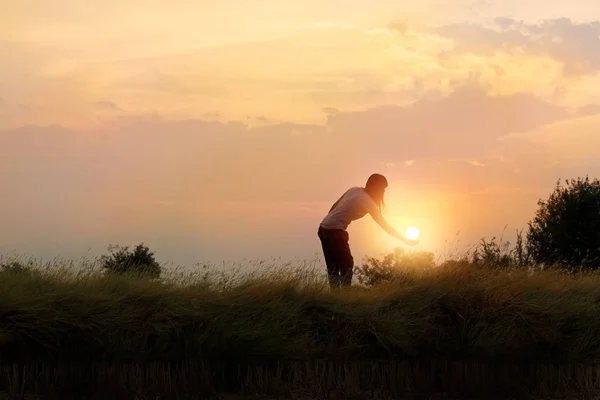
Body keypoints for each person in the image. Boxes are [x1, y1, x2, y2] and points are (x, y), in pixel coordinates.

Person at [318, 173, 418, 289]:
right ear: (375, 187)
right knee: (347, 265)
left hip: (323, 228)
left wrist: (327, 222)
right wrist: (405, 240)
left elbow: (335, 205)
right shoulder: (368, 202)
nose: (383, 192)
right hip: (335, 231)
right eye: (382, 189)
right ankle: (344, 297)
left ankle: (335, 298)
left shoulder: (354, 190)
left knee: (333, 267)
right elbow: (385, 226)